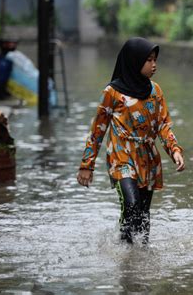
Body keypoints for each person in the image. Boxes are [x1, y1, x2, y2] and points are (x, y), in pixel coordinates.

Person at [76, 37, 185, 244]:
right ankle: (123, 247)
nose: (154, 65)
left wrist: (175, 150)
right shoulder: (112, 92)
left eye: (155, 60)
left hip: (148, 158)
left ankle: (140, 257)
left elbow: (162, 125)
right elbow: (98, 130)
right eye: (149, 60)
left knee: (143, 212)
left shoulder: (155, 91)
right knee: (132, 203)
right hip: (121, 156)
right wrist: (86, 165)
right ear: (134, 61)